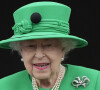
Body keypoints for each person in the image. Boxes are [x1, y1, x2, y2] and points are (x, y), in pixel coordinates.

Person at [0, 1, 100, 90]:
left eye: (48, 45)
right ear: (21, 51)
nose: (39, 55)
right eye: (30, 46)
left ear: (63, 49)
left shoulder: (95, 80)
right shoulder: (4, 86)